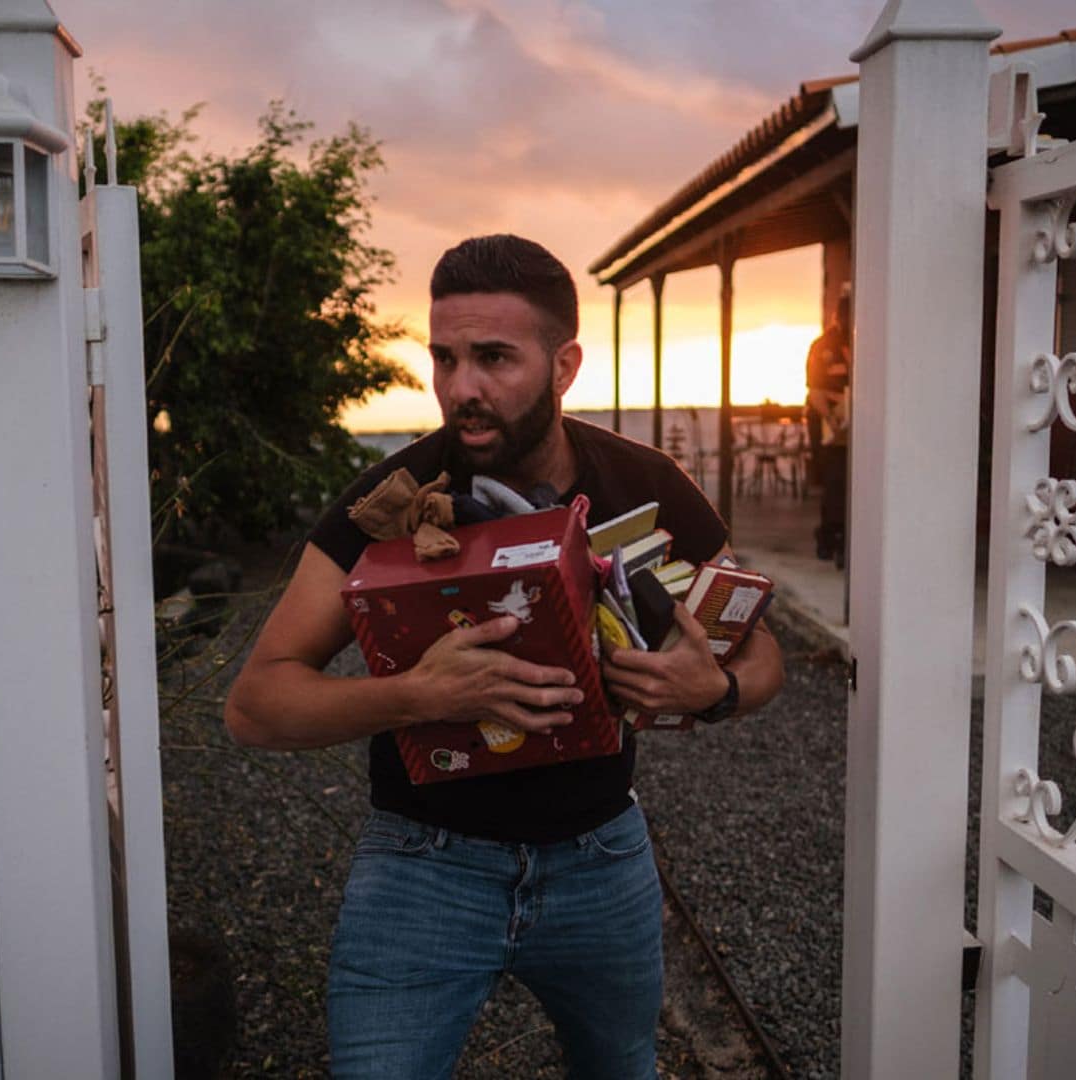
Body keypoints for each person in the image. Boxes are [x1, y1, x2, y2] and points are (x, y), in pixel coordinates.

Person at [224, 234, 785, 1077]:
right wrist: (414, 695)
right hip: (423, 866)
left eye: (493, 358)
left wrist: (714, 690)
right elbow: (257, 703)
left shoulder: (648, 482)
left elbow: (763, 650)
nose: (461, 389)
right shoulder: (391, 502)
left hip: (603, 858)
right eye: (443, 359)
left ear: (565, 366)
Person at [804, 303, 851, 565]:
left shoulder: (860, 343)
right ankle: (829, 536)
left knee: (848, 482)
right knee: (834, 482)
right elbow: (816, 390)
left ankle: (843, 536)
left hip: (854, 423)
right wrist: (832, 417)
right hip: (828, 424)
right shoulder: (822, 347)